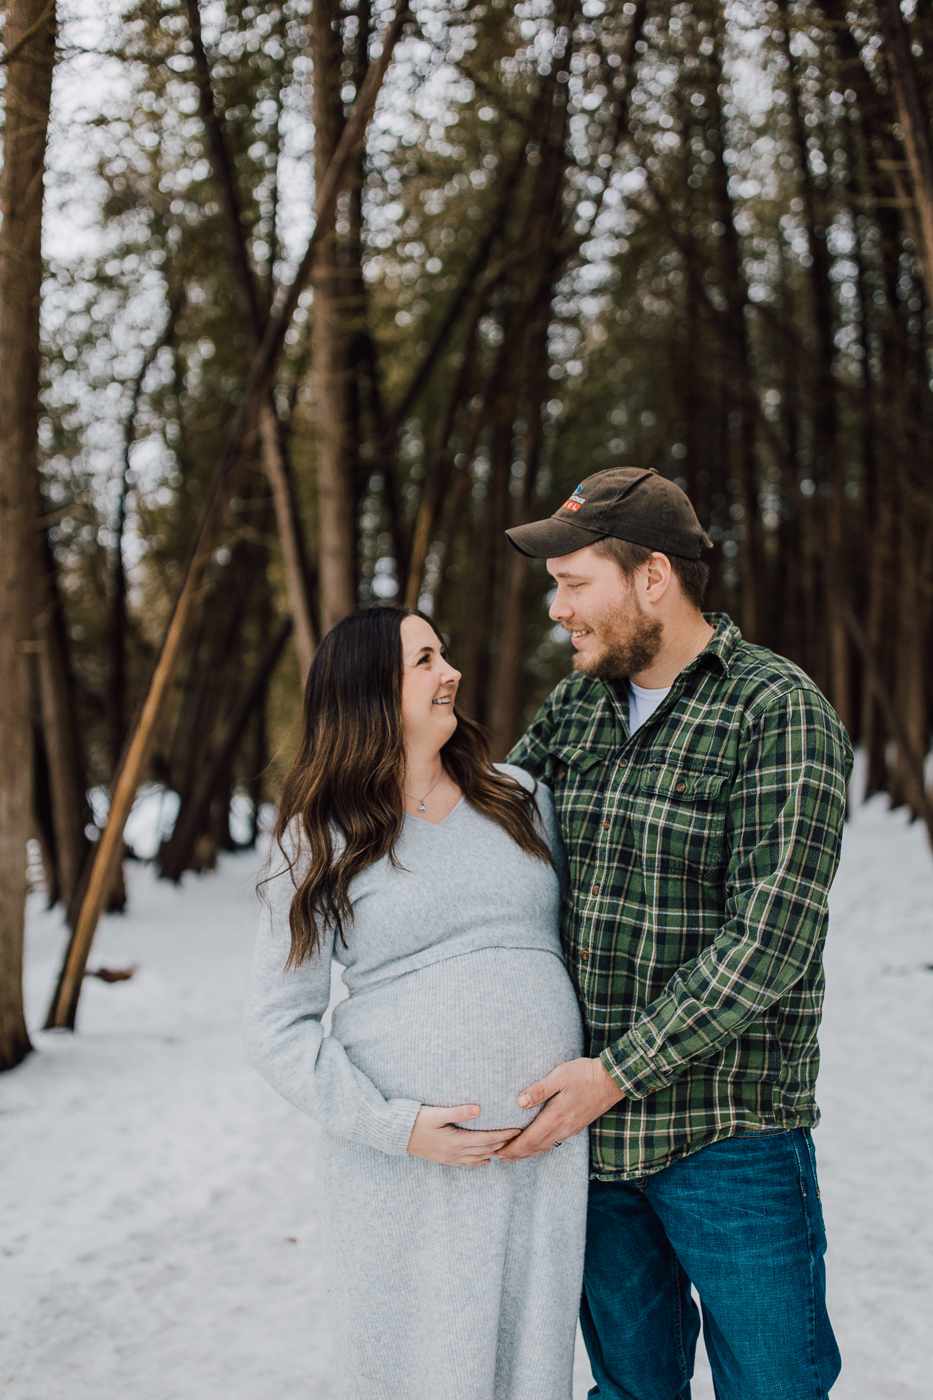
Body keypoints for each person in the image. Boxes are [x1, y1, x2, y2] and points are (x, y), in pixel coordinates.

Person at [498, 467, 852, 1400]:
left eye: (574, 583)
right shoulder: (576, 708)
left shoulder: (776, 711)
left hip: (728, 1134)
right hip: (595, 1146)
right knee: (629, 1393)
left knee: (775, 1387)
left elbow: (769, 938)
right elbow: (487, 839)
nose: (555, 609)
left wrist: (613, 1073)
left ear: (652, 576)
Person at [243, 605, 588, 1400]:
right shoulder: (320, 836)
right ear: (370, 691)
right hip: (400, 1168)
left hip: (540, 1159)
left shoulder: (521, 800)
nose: (451, 673)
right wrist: (395, 1129)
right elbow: (275, 1023)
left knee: (529, 1373)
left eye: (444, 652)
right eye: (425, 660)